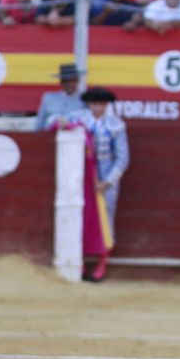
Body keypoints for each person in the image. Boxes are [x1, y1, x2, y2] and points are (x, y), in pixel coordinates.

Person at [72, 87, 128, 282]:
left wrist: (108, 181)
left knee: (105, 220)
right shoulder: (79, 119)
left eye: (102, 104)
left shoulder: (116, 125)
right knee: (80, 217)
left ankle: (101, 264)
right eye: (95, 103)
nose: (98, 108)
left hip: (106, 181)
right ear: (89, 104)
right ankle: (78, 263)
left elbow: (122, 158)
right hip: (82, 178)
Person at [35, 62, 85, 129]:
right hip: (51, 134)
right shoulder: (49, 98)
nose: (68, 84)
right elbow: (40, 124)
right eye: (65, 81)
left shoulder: (85, 99)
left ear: (77, 80)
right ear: (61, 82)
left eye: (72, 80)